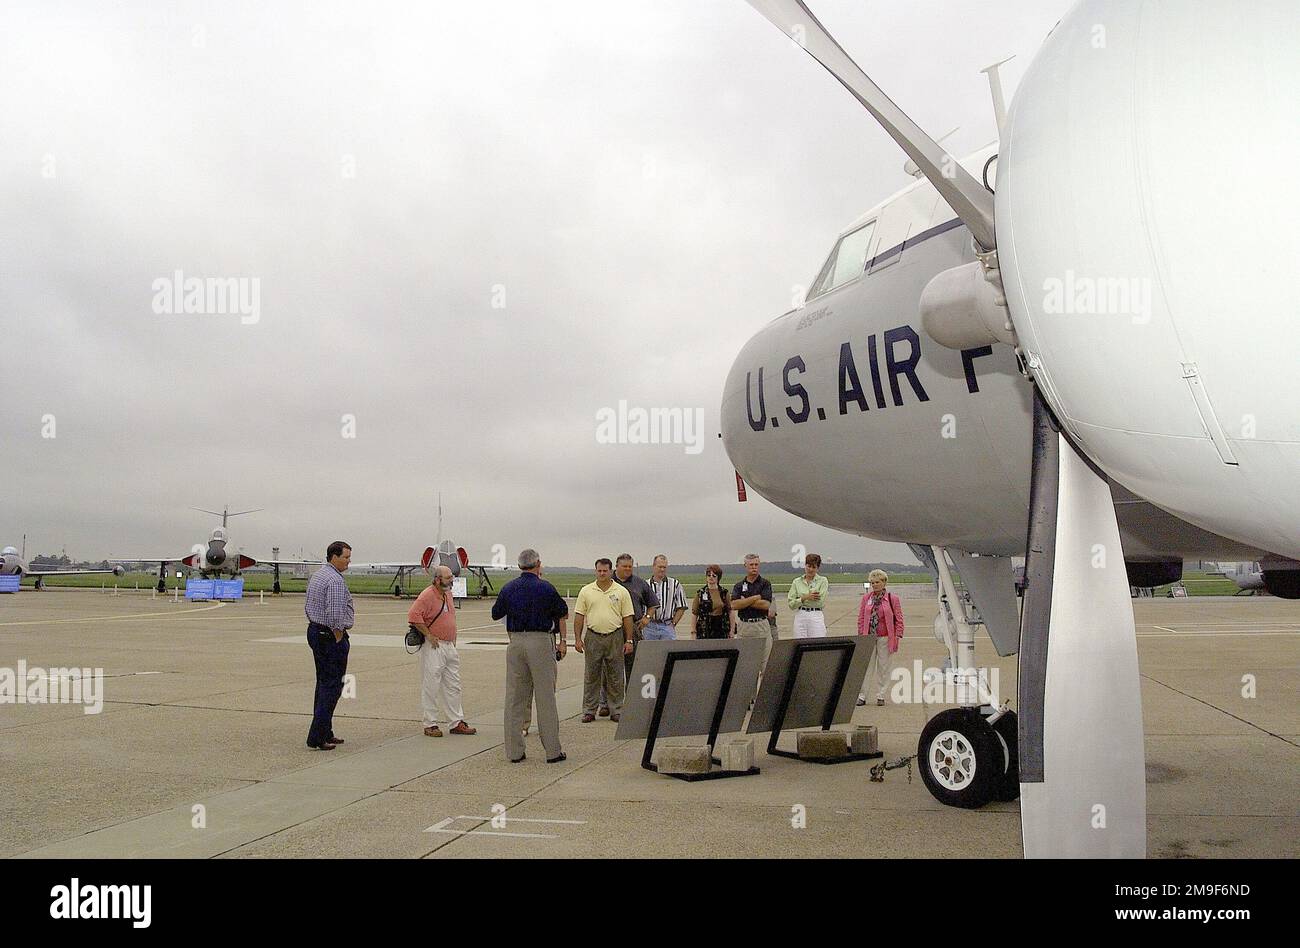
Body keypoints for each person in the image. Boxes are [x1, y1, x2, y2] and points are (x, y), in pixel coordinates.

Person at [491, 548, 569, 763]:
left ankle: (514, 752)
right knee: (545, 698)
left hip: (516, 642)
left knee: (515, 698)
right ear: (538, 564)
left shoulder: (508, 588)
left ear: (519, 566)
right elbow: (562, 611)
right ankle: (552, 751)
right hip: (540, 641)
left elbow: (496, 613)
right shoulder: (545, 588)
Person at [408, 564, 476, 737]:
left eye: (451, 577)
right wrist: (429, 635)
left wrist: (453, 638)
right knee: (431, 685)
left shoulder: (448, 595)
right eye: (448, 578)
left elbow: (451, 616)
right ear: (437, 580)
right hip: (434, 647)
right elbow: (414, 616)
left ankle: (456, 722)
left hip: (449, 645)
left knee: (453, 684)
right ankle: (430, 723)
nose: (451, 581)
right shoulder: (427, 595)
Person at [304, 540, 354, 750]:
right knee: (332, 686)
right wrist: (338, 635)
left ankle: (325, 730)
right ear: (334, 557)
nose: (348, 562)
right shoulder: (334, 580)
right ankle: (317, 737)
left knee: (323, 683)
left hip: (316, 631)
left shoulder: (319, 575)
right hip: (329, 636)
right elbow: (334, 614)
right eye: (346, 557)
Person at [574, 558, 634, 723]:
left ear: (610, 571)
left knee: (616, 675)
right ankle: (589, 710)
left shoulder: (621, 592)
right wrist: (578, 639)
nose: (602, 573)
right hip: (593, 636)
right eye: (599, 571)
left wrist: (629, 640)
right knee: (592, 675)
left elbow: (627, 617)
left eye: (605, 571)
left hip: (615, 636)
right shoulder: (586, 591)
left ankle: (617, 710)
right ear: (596, 571)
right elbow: (579, 616)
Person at [597, 554, 658, 716]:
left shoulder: (639, 584)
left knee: (632, 667)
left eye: (630, 566)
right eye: (624, 566)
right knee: (608, 668)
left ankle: (630, 701)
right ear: (616, 567)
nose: (628, 569)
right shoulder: (608, 583)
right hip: (612, 630)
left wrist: (647, 618)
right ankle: (604, 703)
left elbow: (652, 604)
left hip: (634, 629)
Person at [857, 569, 904, 706]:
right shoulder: (866, 599)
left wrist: (897, 635)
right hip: (869, 637)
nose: (875, 585)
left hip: (885, 637)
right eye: (872, 583)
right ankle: (862, 696)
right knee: (866, 667)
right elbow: (861, 618)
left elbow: (899, 619)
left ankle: (881, 694)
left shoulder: (892, 599)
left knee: (884, 667)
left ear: (884, 582)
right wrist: (861, 635)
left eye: (877, 582)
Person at [731, 553, 774, 663]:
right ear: (745, 566)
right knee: (744, 660)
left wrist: (744, 601)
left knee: (764, 660)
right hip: (744, 626)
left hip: (761, 625)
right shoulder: (739, 586)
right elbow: (734, 605)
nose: (754, 567)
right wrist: (755, 598)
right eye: (751, 565)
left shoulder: (765, 584)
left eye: (756, 564)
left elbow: (765, 604)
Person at [787, 553, 829, 638]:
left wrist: (799, 600)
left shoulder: (823, 581)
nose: (810, 569)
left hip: (816, 615)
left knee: (817, 644)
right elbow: (791, 604)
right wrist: (805, 597)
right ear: (805, 565)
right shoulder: (796, 582)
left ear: (818, 568)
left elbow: (820, 603)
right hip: (800, 615)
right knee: (799, 644)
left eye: (814, 567)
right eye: (808, 566)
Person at [645, 554, 687, 640]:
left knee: (669, 652)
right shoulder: (645, 585)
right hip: (649, 627)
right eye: (660, 567)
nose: (662, 569)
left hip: (667, 626)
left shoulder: (675, 584)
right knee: (649, 652)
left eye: (664, 567)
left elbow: (681, 607)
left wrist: (673, 624)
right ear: (653, 566)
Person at [691, 565, 734, 639]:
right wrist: (693, 632)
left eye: (714, 575)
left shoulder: (724, 593)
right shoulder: (700, 593)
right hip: (704, 630)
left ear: (718, 577)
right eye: (709, 575)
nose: (711, 577)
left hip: (721, 628)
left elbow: (730, 612)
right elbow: (694, 614)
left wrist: (732, 630)